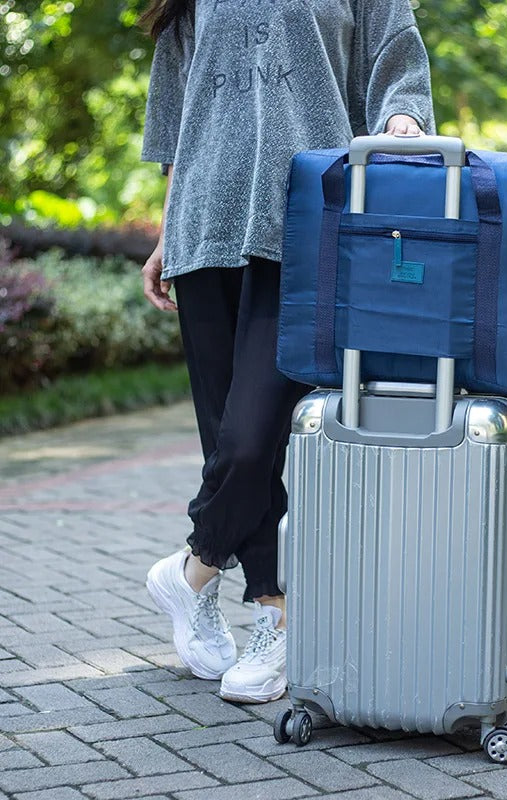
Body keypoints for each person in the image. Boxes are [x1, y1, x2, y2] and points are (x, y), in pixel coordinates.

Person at [138, 0, 434, 703]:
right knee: (229, 446)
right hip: (204, 226)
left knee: (254, 439)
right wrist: (164, 235)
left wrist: (402, 124)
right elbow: (180, 120)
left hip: (310, 224)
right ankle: (273, 617)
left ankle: (193, 569)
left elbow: (398, 61)